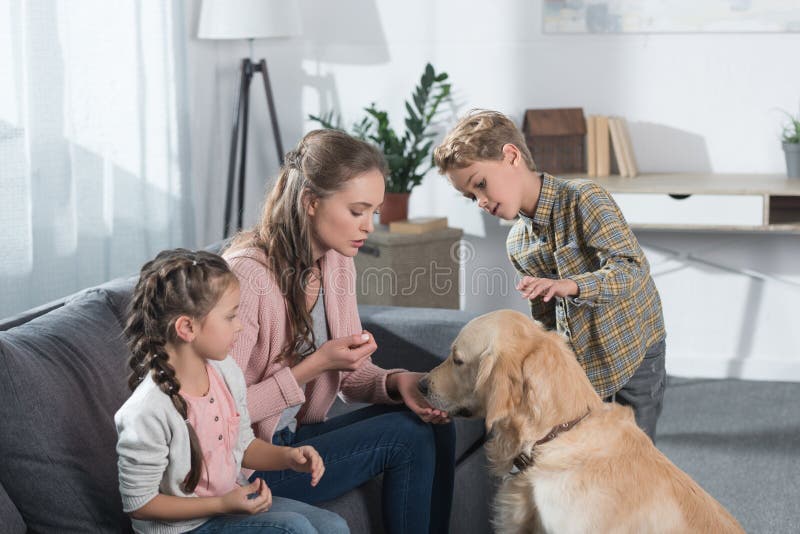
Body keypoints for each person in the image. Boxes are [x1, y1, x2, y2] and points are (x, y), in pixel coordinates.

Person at [223, 129, 456, 534]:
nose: (368, 226)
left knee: (438, 423)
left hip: (297, 437)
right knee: (405, 436)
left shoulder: (336, 261)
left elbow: (352, 378)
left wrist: (399, 381)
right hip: (247, 462)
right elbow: (221, 411)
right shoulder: (246, 276)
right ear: (311, 203)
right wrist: (314, 365)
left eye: (374, 212)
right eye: (357, 211)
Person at [433, 110, 667, 441]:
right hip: (584, 366)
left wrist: (569, 286)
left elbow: (631, 269)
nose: (481, 202)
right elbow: (546, 319)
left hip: (636, 349)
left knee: (638, 448)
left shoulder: (585, 199)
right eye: (472, 197)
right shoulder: (518, 243)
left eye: (481, 184)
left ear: (511, 156)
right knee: (589, 450)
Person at [114, 249, 349, 534]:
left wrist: (288, 457)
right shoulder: (147, 410)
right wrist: (222, 504)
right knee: (293, 530)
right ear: (187, 327)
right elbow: (140, 503)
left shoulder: (226, 371)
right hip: (184, 527)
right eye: (230, 317)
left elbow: (244, 446)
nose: (239, 326)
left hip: (225, 507)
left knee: (333, 526)